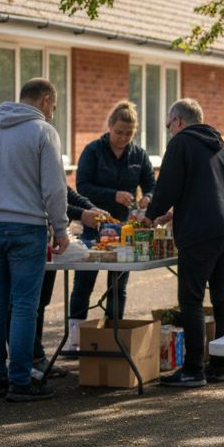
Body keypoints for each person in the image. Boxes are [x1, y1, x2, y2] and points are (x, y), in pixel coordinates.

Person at [0, 77, 70, 402]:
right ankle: (21, 381)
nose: (53, 111)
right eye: (54, 104)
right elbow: (54, 188)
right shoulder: (43, 132)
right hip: (26, 228)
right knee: (24, 304)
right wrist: (61, 228)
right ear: (46, 98)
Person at [143, 99, 224, 388]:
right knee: (222, 298)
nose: (168, 131)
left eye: (167, 126)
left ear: (177, 121)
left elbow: (168, 186)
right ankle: (220, 365)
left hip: (201, 232)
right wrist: (173, 213)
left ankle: (192, 369)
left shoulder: (181, 143)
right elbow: (210, 190)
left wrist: (151, 216)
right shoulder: (220, 146)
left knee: (191, 299)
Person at [69, 100, 156, 331]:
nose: (123, 137)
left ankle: (114, 333)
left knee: (118, 285)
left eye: (129, 133)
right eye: (118, 132)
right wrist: (113, 195)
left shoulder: (138, 154)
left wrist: (148, 196)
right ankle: (74, 338)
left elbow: (152, 184)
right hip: (94, 225)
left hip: (125, 229)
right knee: (84, 283)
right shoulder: (93, 151)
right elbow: (82, 186)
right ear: (109, 126)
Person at [32, 188, 108, 378]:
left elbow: (63, 191)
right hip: (32, 232)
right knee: (26, 304)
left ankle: (35, 359)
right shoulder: (40, 157)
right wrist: (82, 214)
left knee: (40, 302)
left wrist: (91, 208)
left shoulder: (51, 160)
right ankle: (24, 364)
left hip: (45, 235)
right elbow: (49, 197)